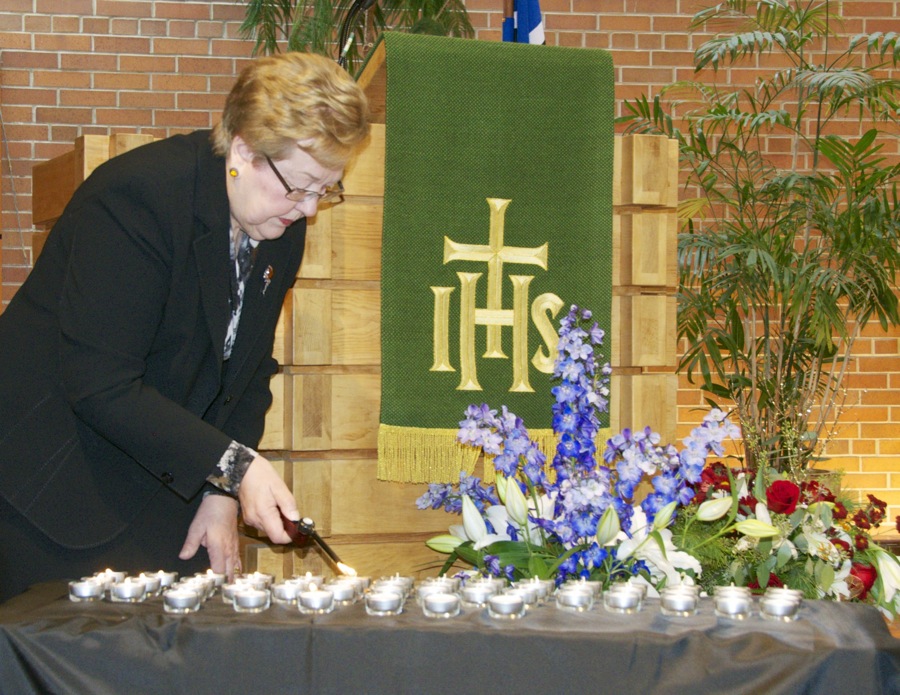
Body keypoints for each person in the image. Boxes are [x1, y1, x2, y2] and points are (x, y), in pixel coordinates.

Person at [0, 52, 369, 602]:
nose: (310, 210)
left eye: (327, 190)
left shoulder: (277, 222)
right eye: (302, 186)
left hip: (156, 477)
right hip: (49, 483)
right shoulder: (138, 199)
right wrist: (237, 468)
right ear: (244, 149)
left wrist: (221, 494)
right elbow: (101, 385)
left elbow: (246, 372)